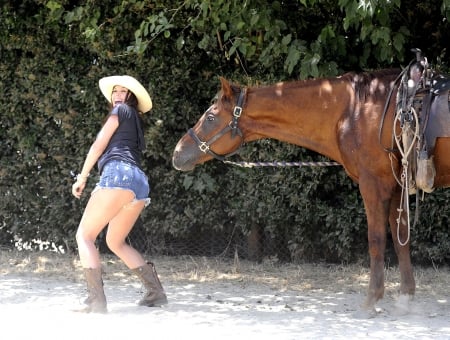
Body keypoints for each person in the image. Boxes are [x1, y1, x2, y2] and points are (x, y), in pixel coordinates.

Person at [71, 75, 167, 313]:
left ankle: (96, 301)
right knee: (115, 241)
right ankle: (155, 292)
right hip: (138, 183)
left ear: (130, 98)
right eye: (115, 91)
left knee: (84, 235)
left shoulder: (122, 111)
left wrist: (82, 177)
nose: (117, 95)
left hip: (118, 175)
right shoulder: (133, 119)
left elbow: (98, 144)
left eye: (123, 92)